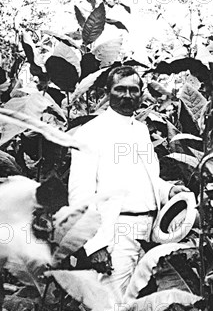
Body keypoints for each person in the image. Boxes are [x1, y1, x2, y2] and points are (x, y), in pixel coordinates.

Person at [68, 66, 188, 297]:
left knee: (132, 306)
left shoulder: (140, 130)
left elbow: (146, 179)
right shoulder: (90, 132)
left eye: (133, 90)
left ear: (141, 93)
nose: (127, 96)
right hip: (115, 231)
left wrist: (169, 190)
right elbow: (80, 194)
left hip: (148, 230)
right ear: (107, 92)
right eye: (120, 89)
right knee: (109, 306)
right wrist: (95, 245)